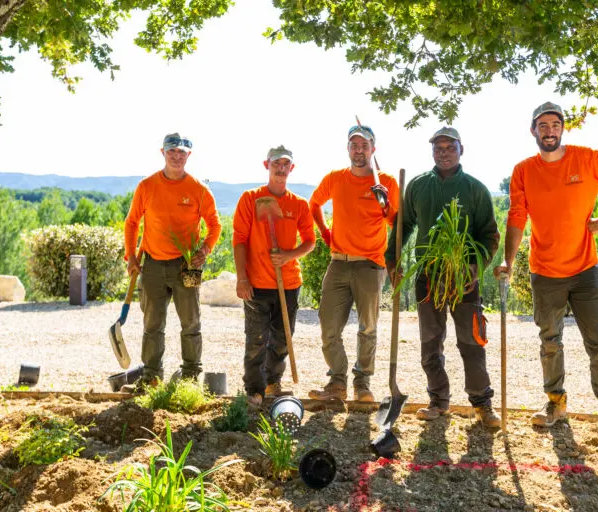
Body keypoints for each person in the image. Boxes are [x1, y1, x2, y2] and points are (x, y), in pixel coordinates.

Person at [494, 101, 598, 451]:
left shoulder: (586, 159)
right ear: (533, 130)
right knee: (550, 342)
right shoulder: (523, 170)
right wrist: (508, 260)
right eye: (543, 125)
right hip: (544, 272)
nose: (550, 130)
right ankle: (555, 403)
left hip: (586, 271)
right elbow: (516, 217)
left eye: (555, 124)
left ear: (563, 129)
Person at [386, 126, 501, 427]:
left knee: (471, 341)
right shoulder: (418, 186)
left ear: (462, 149)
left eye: (450, 147)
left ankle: (482, 404)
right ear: (432, 151)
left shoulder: (475, 189)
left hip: (464, 278)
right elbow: (403, 225)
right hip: (427, 276)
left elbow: (489, 235)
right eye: (438, 147)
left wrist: (476, 267)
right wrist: (392, 258)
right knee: (430, 341)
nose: (444, 152)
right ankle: (438, 400)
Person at [122, 133, 221, 393]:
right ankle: (152, 377)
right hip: (152, 264)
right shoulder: (147, 186)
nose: (177, 156)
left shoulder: (198, 189)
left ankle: (190, 375)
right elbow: (132, 222)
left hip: (188, 265)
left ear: (189, 155)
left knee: (191, 321)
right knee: (153, 323)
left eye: (182, 152)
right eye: (172, 151)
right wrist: (131, 256)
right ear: (162, 152)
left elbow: (215, 225)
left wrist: (205, 249)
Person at [308, 125, 399, 402]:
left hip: (370, 265)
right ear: (348, 149)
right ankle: (337, 382)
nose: (359, 150)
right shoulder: (335, 178)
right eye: (354, 145)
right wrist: (326, 234)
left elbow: (397, 222)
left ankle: (362, 384)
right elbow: (314, 203)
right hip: (338, 263)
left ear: (374, 149)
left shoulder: (387, 183)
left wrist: (385, 205)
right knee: (328, 326)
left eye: (364, 145)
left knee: (367, 327)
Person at [232, 145, 315, 406]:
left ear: (292, 168)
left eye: (285, 164)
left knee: (282, 337)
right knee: (257, 338)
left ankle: (272, 383)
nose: (281, 169)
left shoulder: (299, 204)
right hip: (256, 283)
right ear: (266, 165)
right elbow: (239, 240)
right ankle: (254, 388)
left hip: (288, 283)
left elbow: (310, 241)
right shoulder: (250, 198)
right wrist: (242, 278)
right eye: (276, 164)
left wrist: (289, 255)